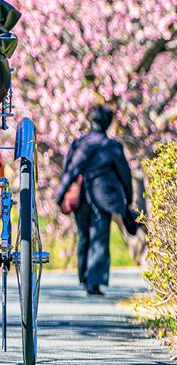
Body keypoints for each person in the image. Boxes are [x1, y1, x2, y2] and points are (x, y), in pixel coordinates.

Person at [55, 105, 134, 295]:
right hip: (103, 197)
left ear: (90, 122)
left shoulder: (78, 144)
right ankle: (94, 282)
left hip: (80, 197)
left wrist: (61, 195)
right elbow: (125, 174)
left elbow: (69, 169)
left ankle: (84, 277)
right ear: (107, 124)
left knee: (84, 236)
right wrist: (128, 197)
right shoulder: (112, 146)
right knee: (99, 236)